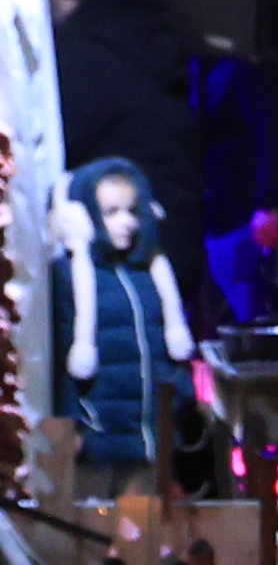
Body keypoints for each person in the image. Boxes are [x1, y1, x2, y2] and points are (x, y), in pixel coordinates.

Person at [43, 0, 217, 328]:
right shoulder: (149, 32)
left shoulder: (82, 54)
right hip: (173, 223)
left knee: (117, 370)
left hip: (119, 243)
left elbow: (57, 144)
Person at [49, 158, 195, 498]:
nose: (126, 222)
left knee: (142, 533)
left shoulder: (153, 273)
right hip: (98, 433)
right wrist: (72, 421)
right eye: (111, 212)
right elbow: (61, 350)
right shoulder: (71, 275)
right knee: (94, 530)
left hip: (151, 433)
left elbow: (164, 341)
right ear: (85, 215)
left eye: (132, 210)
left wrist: (181, 393)